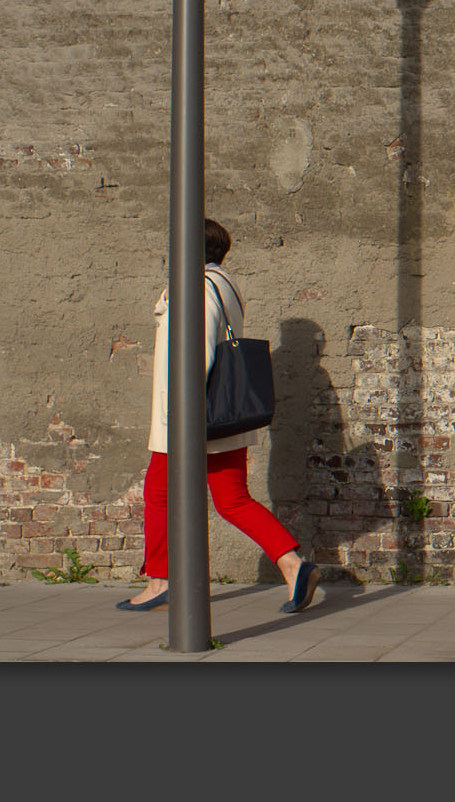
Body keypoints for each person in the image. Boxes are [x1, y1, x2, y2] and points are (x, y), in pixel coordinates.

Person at [118, 218, 318, 615]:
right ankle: (293, 565)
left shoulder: (196, 287)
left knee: (158, 493)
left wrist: (182, 417)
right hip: (223, 415)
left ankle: (161, 580)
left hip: (192, 417)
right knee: (232, 500)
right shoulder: (222, 282)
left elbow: (199, 351)